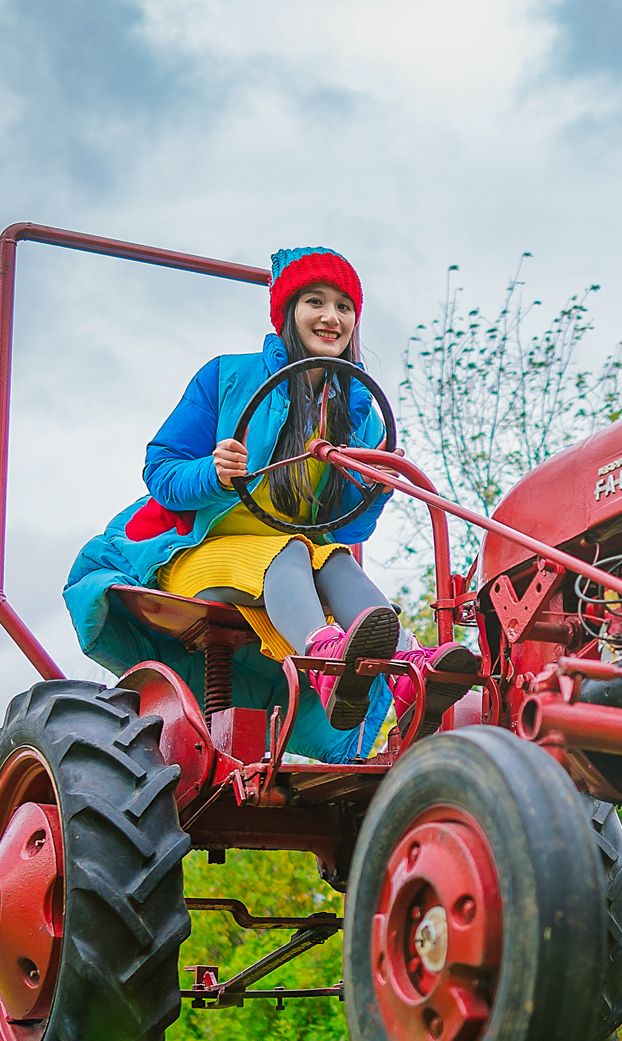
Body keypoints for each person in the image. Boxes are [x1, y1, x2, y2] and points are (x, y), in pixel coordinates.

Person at [64, 247, 475, 761]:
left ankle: (407, 671)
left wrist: (378, 486)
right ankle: (323, 659)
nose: (331, 317)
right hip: (195, 551)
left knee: (336, 560)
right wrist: (211, 474)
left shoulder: (358, 412)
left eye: (344, 306)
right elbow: (162, 471)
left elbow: (350, 526)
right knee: (294, 552)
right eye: (315, 302)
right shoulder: (227, 379)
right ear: (288, 312)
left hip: (293, 555)